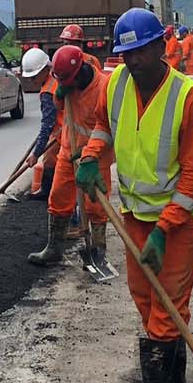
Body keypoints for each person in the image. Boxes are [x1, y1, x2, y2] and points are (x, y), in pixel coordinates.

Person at [79, 8, 193, 383]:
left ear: (160, 47)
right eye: (125, 53)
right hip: (135, 214)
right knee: (144, 297)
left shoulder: (189, 99)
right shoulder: (115, 83)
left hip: (180, 219)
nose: (132, 61)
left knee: (168, 306)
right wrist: (89, 157)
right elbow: (103, 127)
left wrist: (165, 229)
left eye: (139, 51)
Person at [28, 44, 112, 267]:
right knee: (58, 197)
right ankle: (54, 248)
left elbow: (109, 128)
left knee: (95, 204)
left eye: (68, 82)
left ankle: (98, 250)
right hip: (69, 150)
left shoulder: (104, 88)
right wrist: (59, 94)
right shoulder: (67, 84)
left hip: (95, 157)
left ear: (81, 71)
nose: (66, 86)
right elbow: (60, 107)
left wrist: (90, 156)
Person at [19, 47, 58, 201]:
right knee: (50, 157)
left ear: (44, 70)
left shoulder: (48, 91)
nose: (32, 81)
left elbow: (48, 123)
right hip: (62, 127)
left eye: (34, 77)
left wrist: (36, 154)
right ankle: (48, 189)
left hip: (62, 130)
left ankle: (48, 191)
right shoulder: (55, 78)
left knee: (50, 158)